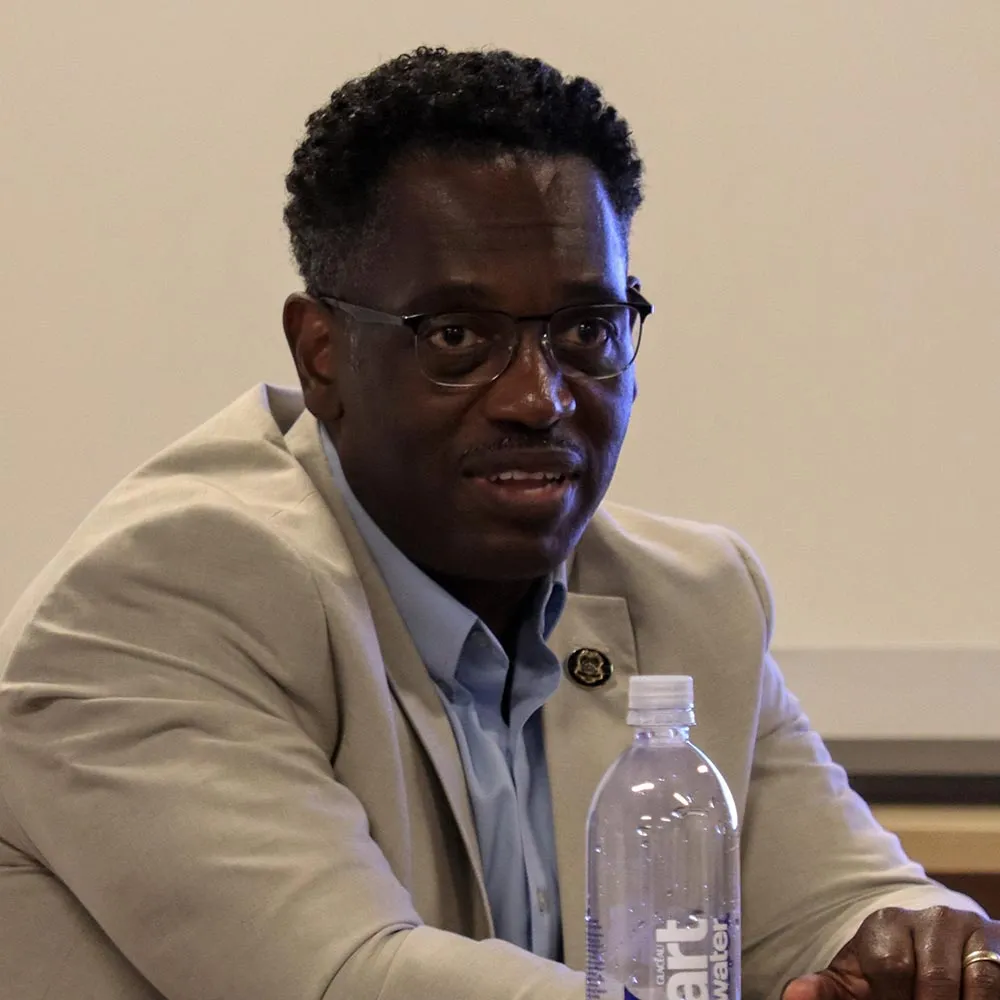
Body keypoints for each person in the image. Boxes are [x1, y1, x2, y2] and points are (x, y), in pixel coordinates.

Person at [0, 46, 995, 1000]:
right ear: (322, 353)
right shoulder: (160, 593)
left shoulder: (690, 596)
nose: (539, 396)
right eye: (459, 336)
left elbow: (838, 904)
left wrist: (914, 944)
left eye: (586, 330)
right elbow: (349, 978)